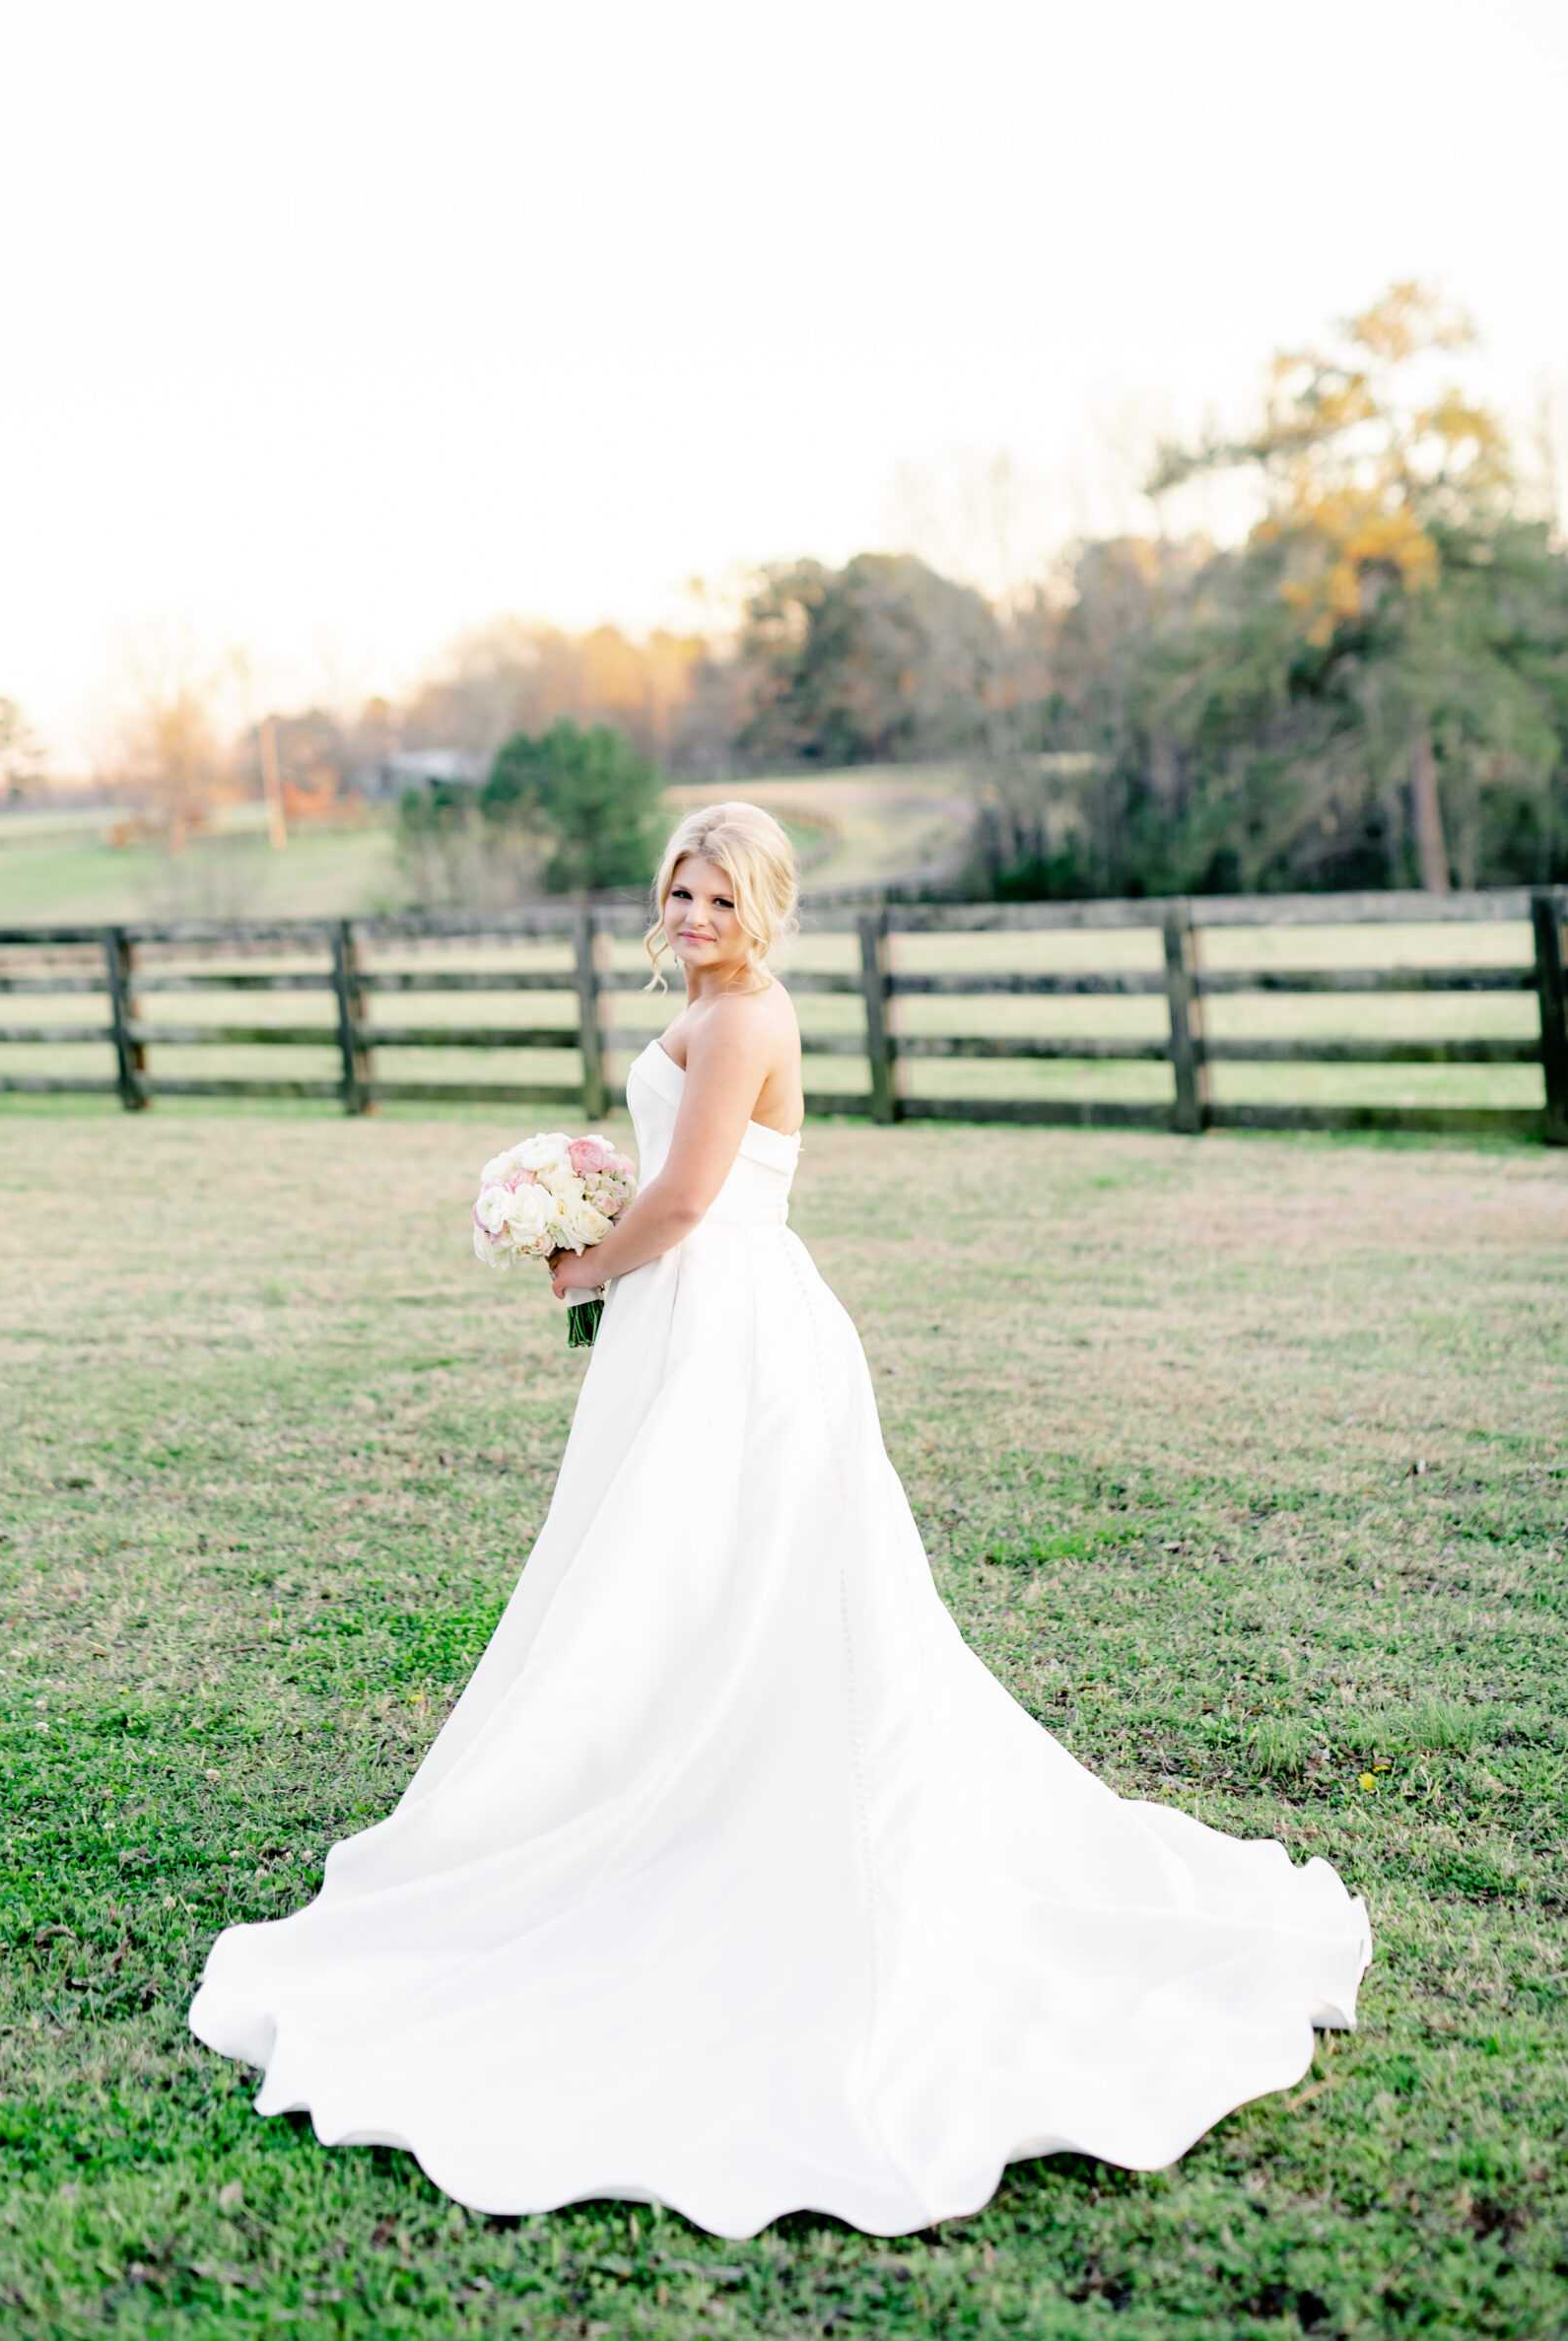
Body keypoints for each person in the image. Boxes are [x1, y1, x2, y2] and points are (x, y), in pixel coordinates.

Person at [189, 800, 1369, 2239]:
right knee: (669, 1578)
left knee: (738, 1576)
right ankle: (652, 1766)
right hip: (694, 1322)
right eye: (680, 894)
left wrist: (583, 1269)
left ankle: (739, 1804)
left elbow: (689, 1201)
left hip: (731, 1328)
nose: (695, 919)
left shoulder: (745, 1018)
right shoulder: (708, 1009)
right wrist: (585, 1210)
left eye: (721, 901)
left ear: (766, 911)